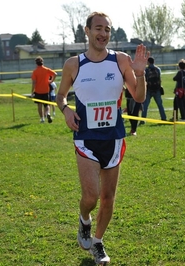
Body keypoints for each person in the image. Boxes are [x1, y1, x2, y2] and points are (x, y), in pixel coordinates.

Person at [56, 12, 148, 265]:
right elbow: (61, 95)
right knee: (90, 197)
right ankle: (84, 220)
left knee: (108, 199)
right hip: (85, 137)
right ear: (87, 31)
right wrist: (66, 110)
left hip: (114, 138)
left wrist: (139, 75)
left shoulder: (120, 60)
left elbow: (138, 98)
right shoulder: (74, 64)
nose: (103, 34)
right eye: (98, 28)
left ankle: (98, 242)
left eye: (107, 29)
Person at [140, 57, 167, 125]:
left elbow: (145, 80)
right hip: (157, 89)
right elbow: (159, 78)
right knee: (160, 105)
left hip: (149, 89)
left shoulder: (146, 70)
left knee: (145, 106)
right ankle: (163, 118)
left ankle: (143, 120)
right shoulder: (158, 69)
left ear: (148, 62)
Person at [31, 56, 57, 123]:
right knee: (47, 105)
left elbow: (34, 82)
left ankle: (42, 118)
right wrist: (51, 80)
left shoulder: (35, 71)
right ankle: (48, 113)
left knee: (39, 105)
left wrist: (32, 91)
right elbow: (55, 74)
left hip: (38, 91)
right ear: (42, 62)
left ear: (36, 63)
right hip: (46, 90)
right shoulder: (46, 69)